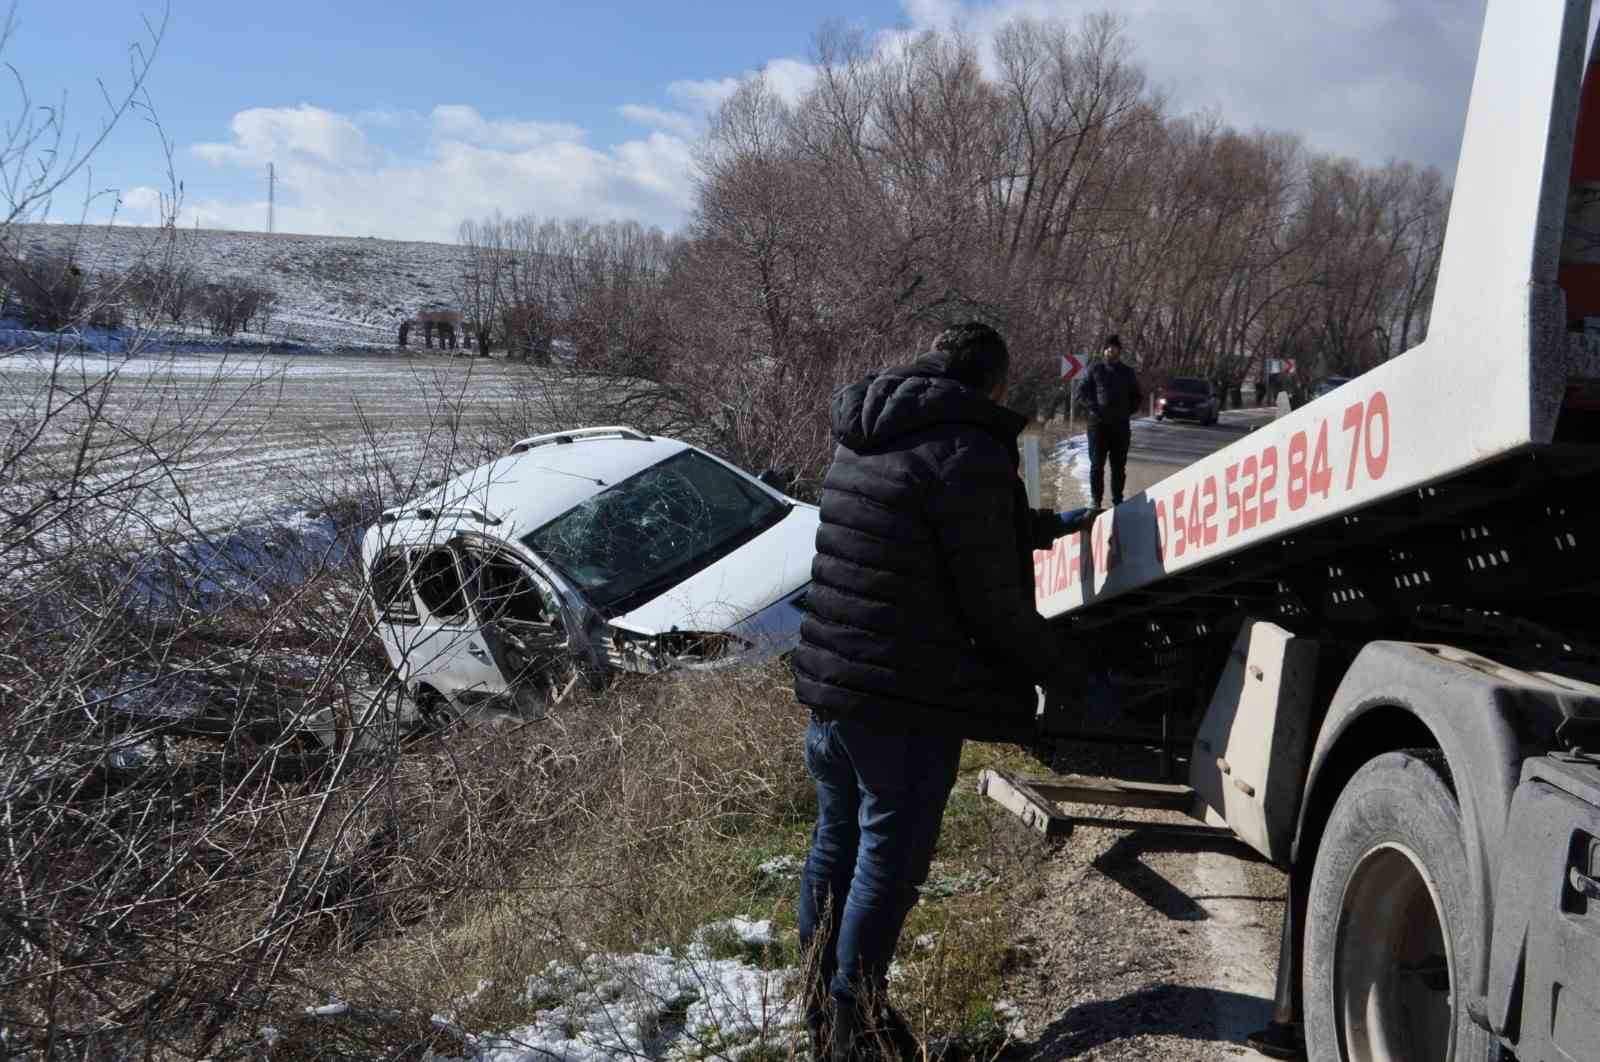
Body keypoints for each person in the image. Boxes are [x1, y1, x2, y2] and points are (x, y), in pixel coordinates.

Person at [790, 321, 1093, 1062]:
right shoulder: (972, 452)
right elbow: (994, 604)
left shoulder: (865, 431)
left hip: (831, 685)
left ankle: (816, 1005)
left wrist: (1036, 526)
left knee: (835, 843)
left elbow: (920, 532)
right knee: (886, 864)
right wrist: (1069, 677)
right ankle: (852, 1027)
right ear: (994, 385)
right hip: (902, 701)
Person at [1077, 334, 1142, 507]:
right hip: (1098, 426)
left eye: (1114, 347)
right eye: (1108, 347)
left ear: (1119, 351)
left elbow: (1137, 396)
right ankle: (1096, 501)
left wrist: (1126, 411)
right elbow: (1081, 393)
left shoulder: (1127, 372)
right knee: (1096, 465)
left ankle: (1118, 500)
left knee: (1118, 467)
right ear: (1104, 350)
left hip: (1120, 427)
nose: (1110, 350)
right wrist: (1094, 408)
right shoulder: (1095, 369)